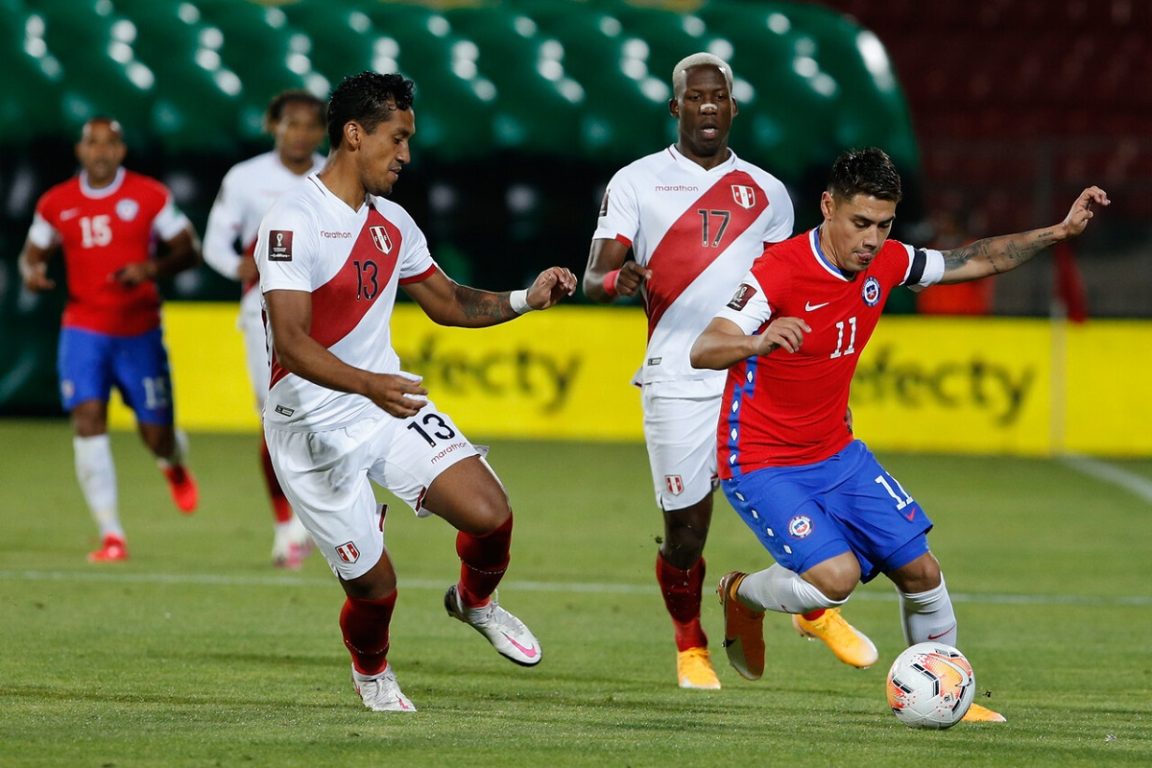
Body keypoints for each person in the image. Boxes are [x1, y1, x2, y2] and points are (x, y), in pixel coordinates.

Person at [690, 146, 1109, 722]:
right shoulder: (778, 270)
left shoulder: (888, 261)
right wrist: (756, 341)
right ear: (828, 207)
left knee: (922, 572)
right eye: (860, 222)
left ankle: (948, 693)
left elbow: (976, 258)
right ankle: (742, 593)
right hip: (760, 459)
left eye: (884, 225)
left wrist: (1058, 232)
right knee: (834, 580)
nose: (871, 239)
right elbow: (705, 347)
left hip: (836, 452)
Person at [256, 71, 578, 712]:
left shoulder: (393, 223)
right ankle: (372, 670)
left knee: (490, 513)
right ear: (354, 134)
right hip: (310, 426)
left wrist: (526, 298)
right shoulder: (293, 220)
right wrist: (370, 383)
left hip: (384, 404)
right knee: (375, 588)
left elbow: (449, 301)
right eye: (396, 138)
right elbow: (290, 343)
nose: (406, 154)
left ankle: (475, 602)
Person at [583, 52, 876, 690]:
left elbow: (796, 292)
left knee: (800, 501)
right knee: (685, 534)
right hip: (675, 377)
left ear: (734, 107)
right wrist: (615, 280)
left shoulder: (769, 193)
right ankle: (690, 645)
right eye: (695, 97)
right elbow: (594, 275)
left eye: (718, 96)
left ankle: (814, 611)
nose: (708, 106)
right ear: (676, 107)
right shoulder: (636, 181)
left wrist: (821, 384)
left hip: (755, 377)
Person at [18, 116, 202, 563]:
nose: (100, 152)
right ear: (80, 150)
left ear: (121, 151)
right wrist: (32, 272)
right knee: (87, 418)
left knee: (156, 435)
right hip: (83, 329)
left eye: (109, 144)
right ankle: (111, 534)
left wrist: (151, 268)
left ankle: (172, 463)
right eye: (92, 143)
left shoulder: (150, 196)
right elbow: (31, 253)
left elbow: (189, 250)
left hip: (139, 332)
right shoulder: (56, 202)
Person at [203, 90, 327, 569]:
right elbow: (215, 242)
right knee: (276, 418)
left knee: (326, 419)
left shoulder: (335, 176)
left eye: (311, 125)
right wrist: (235, 266)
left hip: (327, 313)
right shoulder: (246, 178)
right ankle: (285, 527)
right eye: (291, 123)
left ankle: (319, 519)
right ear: (273, 125)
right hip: (265, 313)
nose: (301, 134)